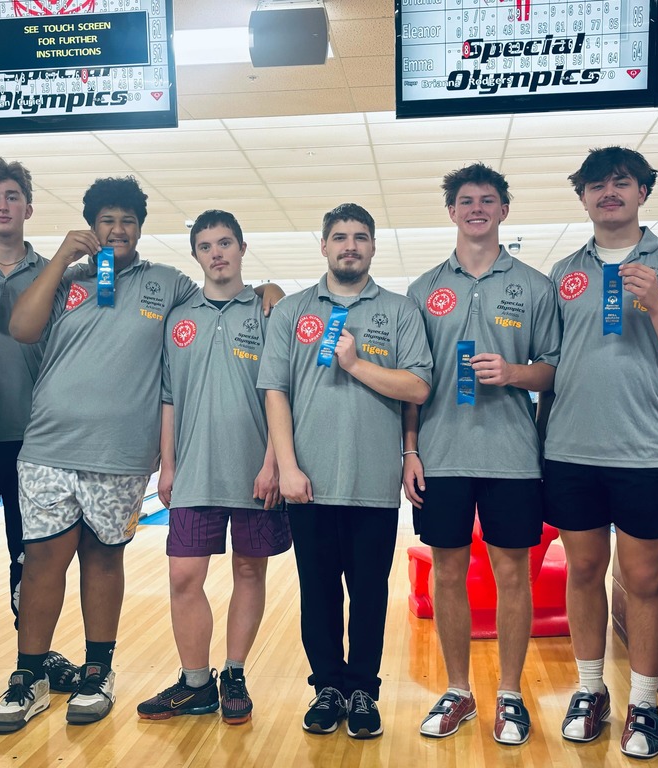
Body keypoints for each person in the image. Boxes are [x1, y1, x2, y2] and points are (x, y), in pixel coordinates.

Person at [0, 178, 282, 733]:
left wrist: (270, 288)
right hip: (48, 444)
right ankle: (28, 677)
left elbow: (225, 293)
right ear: (91, 227)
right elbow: (22, 328)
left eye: (127, 220)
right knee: (42, 560)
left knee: (104, 559)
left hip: (122, 454)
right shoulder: (66, 282)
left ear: (141, 229)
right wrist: (60, 260)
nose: (117, 229)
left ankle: (98, 673)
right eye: (107, 220)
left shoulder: (167, 285)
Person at [541, 147, 658, 759]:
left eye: (621, 182)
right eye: (596, 185)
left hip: (645, 451)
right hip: (571, 449)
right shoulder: (564, 271)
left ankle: (643, 704)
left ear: (643, 192)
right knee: (585, 571)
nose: (608, 192)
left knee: (642, 579)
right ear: (582, 197)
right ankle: (590, 691)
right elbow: (552, 363)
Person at [258, 203, 432, 740]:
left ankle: (362, 690)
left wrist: (356, 364)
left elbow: (418, 387)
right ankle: (328, 687)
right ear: (324, 246)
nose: (349, 245)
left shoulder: (401, 311)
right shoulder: (292, 312)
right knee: (318, 594)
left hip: (372, 483)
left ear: (373, 246)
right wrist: (287, 466)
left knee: (369, 595)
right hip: (308, 483)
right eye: (339, 237)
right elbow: (275, 391)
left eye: (359, 237)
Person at [403, 164, 560, 743]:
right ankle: (458, 690)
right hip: (440, 454)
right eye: (465, 200)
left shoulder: (536, 287)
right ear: (451, 212)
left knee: (512, 574)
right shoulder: (422, 290)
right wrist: (410, 449)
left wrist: (514, 372)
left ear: (503, 211)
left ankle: (511, 695)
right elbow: (413, 382)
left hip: (512, 455)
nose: (476, 208)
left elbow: (553, 371)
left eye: (487, 200)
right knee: (447, 572)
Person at [136, 210, 290, 725]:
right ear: (196, 255)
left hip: (256, 472)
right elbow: (168, 398)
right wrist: (168, 466)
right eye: (206, 246)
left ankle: (236, 673)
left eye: (225, 243)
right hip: (195, 471)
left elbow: (282, 392)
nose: (216, 253)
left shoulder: (270, 312)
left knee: (249, 569)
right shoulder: (179, 318)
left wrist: (273, 462)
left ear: (242, 248)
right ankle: (196, 683)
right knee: (184, 575)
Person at [0, 158, 78, 716]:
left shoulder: (55, 274)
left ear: (28, 207)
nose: (2, 205)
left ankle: (34, 659)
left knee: (36, 558)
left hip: (38, 444)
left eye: (12, 196)